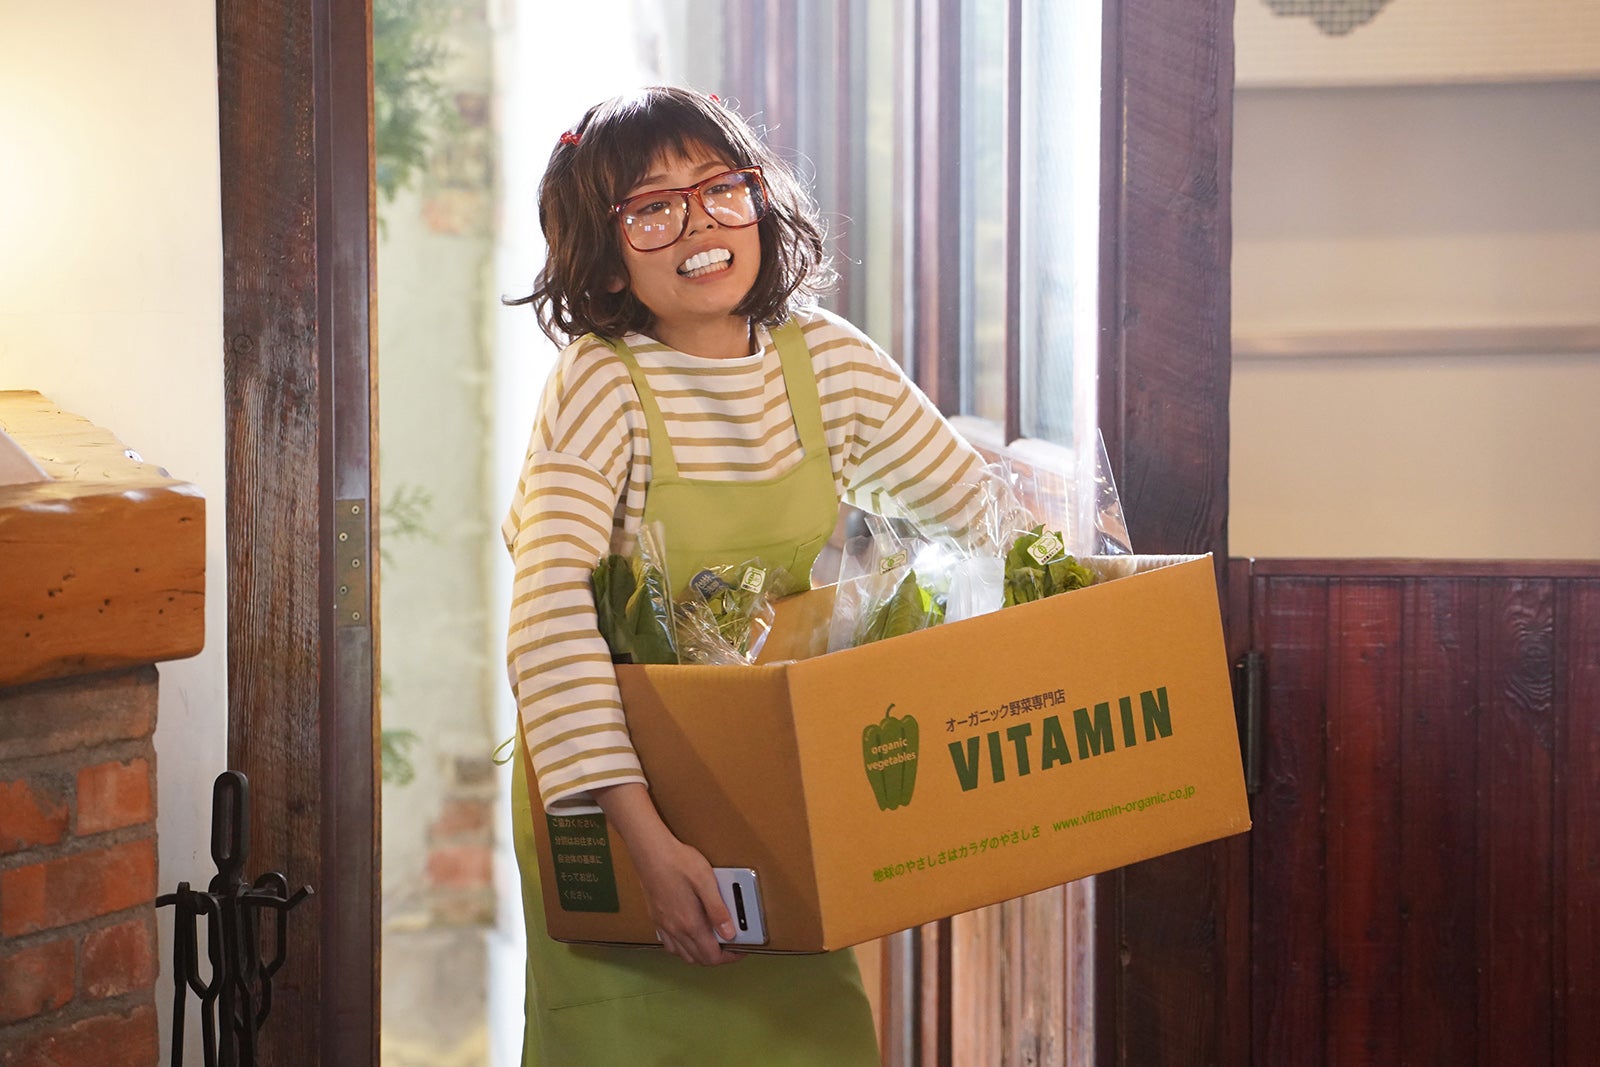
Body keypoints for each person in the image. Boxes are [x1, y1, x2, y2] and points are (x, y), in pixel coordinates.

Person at [502, 86, 986, 1065]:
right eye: (652, 206)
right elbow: (548, 622)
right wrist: (646, 842)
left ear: (759, 200)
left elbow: (980, 515)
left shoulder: (826, 364)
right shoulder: (601, 386)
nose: (699, 224)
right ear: (602, 248)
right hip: (619, 791)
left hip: (771, 788)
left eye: (720, 188)